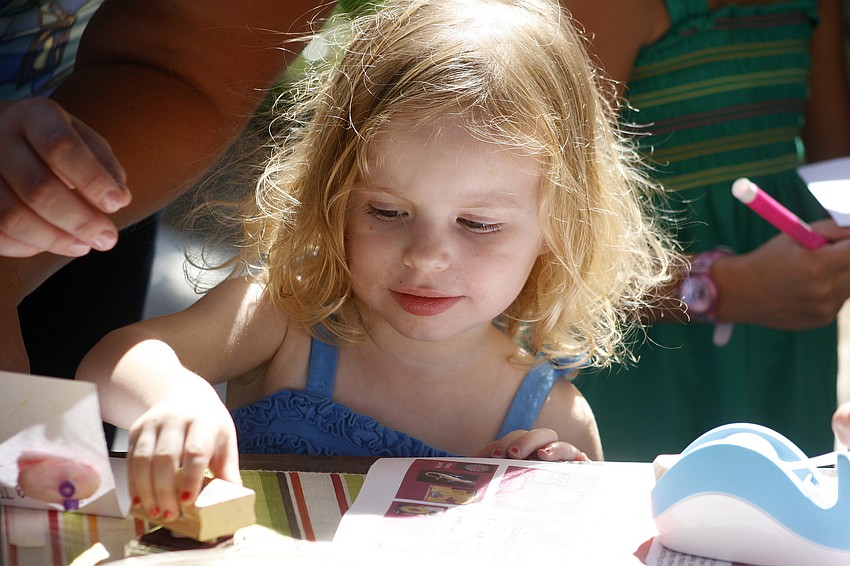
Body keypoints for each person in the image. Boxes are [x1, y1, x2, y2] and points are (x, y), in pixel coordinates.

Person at [76, 0, 677, 525]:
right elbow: (112, 360)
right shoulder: (284, 319)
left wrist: (543, 492)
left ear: (560, 226)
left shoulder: (554, 416)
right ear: (334, 194)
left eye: (478, 224)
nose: (427, 256)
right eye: (387, 212)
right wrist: (173, 398)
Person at [564, 0, 850, 461]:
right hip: (647, 354)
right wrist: (718, 288)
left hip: (786, 347)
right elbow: (549, 233)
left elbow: (836, 177)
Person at [0, 1, 335, 377]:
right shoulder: (278, 310)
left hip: (88, 152)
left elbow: (186, 67)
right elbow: (128, 360)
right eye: (386, 212)